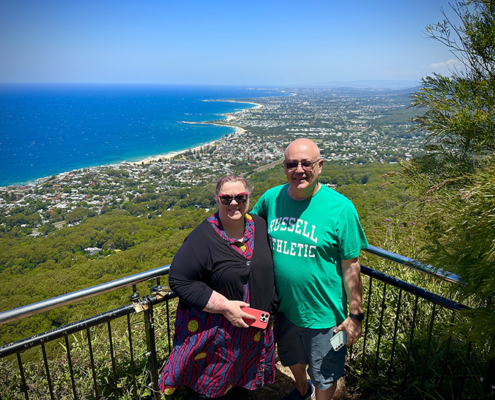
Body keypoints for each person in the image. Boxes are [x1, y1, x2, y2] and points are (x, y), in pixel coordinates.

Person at [251, 138, 368, 400]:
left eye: (307, 163)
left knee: (324, 374)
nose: (299, 170)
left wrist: (355, 316)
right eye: (292, 164)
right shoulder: (272, 199)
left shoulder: (341, 209)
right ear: (284, 167)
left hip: (323, 315)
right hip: (284, 309)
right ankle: (301, 389)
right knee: (292, 359)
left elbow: (351, 266)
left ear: (320, 166)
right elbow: (248, 231)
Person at [159, 175, 278, 400]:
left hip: (252, 333)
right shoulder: (202, 237)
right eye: (226, 198)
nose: (234, 203)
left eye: (240, 197)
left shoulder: (260, 225)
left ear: (248, 198)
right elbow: (179, 280)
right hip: (217, 338)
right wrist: (224, 306)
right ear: (217, 199)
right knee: (209, 389)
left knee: (243, 385)